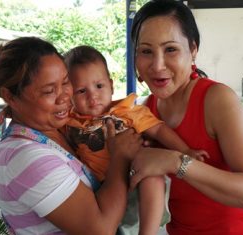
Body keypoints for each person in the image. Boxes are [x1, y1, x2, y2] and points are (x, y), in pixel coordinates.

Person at [128, 0, 243, 234]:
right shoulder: (145, 112)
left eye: (170, 49)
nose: (157, 64)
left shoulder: (216, 100)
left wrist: (175, 161)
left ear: (193, 49)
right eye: (146, 51)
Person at [0, 36, 144, 235]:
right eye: (49, 91)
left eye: (66, 82)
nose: (65, 96)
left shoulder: (57, 128)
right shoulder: (26, 158)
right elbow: (101, 230)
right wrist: (120, 157)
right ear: (10, 97)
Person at [63, 45, 209, 235]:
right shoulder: (70, 122)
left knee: (153, 175)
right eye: (81, 91)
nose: (93, 96)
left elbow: (158, 130)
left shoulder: (127, 112)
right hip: (100, 189)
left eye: (99, 86)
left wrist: (185, 151)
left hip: (134, 175)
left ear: (111, 85)